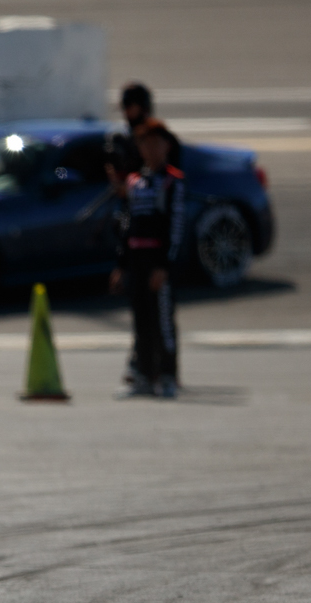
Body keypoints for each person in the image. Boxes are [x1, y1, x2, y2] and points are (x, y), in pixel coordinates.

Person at [112, 123, 184, 399]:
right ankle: (143, 374)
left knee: (163, 322)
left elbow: (176, 228)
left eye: (156, 143)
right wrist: (121, 265)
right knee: (140, 321)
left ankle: (168, 375)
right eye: (145, 144)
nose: (151, 150)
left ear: (166, 146)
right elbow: (126, 226)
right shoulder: (134, 182)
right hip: (136, 260)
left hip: (157, 261)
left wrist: (165, 266)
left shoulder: (172, 181)